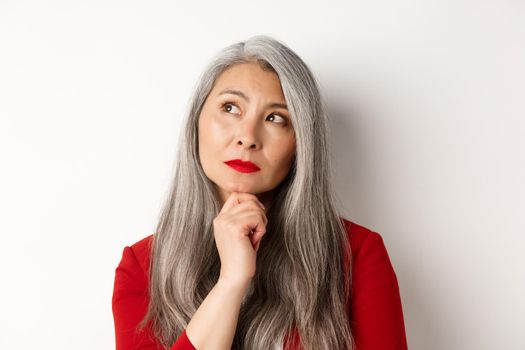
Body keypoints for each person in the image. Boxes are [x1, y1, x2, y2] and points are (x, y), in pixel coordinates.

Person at [112, 35, 408, 350]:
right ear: (197, 121)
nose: (248, 137)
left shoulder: (356, 255)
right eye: (230, 108)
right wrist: (231, 282)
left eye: (276, 118)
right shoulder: (142, 266)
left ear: (301, 144)